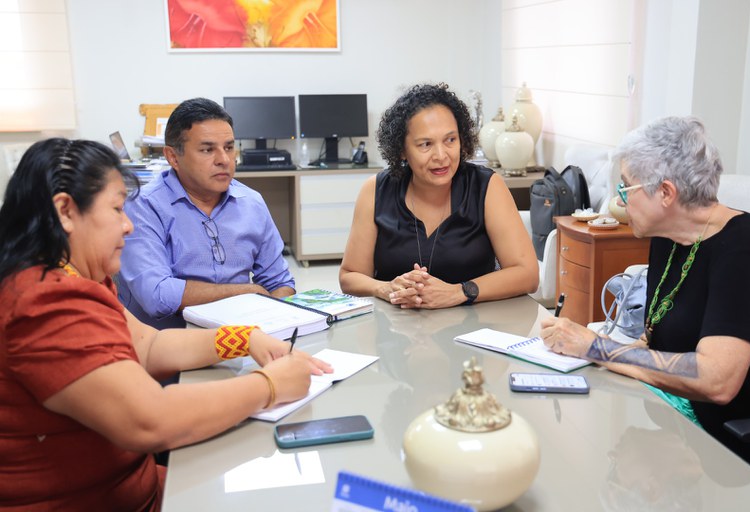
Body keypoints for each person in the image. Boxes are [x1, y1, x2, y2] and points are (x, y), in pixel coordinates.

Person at [0, 138, 331, 510]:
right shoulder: (43, 302)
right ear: (65, 211)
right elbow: (149, 419)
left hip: (131, 485)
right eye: (116, 210)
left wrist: (243, 338)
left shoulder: (76, 277)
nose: (127, 226)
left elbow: (147, 346)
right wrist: (268, 386)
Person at [540, 116, 750, 463]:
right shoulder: (668, 237)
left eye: (625, 188)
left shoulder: (746, 249)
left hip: (725, 451)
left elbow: (717, 379)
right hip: (669, 423)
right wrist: (582, 357)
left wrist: (597, 348)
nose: (620, 199)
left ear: (665, 193)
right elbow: (654, 339)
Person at [339, 83, 538, 309]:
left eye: (450, 140)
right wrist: (384, 288)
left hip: (474, 329)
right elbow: (349, 276)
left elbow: (527, 274)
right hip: (394, 330)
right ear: (402, 149)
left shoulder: (487, 186)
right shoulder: (375, 190)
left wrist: (460, 291)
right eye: (426, 144)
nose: (441, 155)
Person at [118, 97, 295, 329]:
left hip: (243, 340)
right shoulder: (143, 206)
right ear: (173, 157)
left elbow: (280, 282)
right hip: (168, 348)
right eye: (207, 149)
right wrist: (247, 292)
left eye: (229, 148)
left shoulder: (251, 203)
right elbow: (157, 295)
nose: (224, 160)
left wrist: (276, 324)